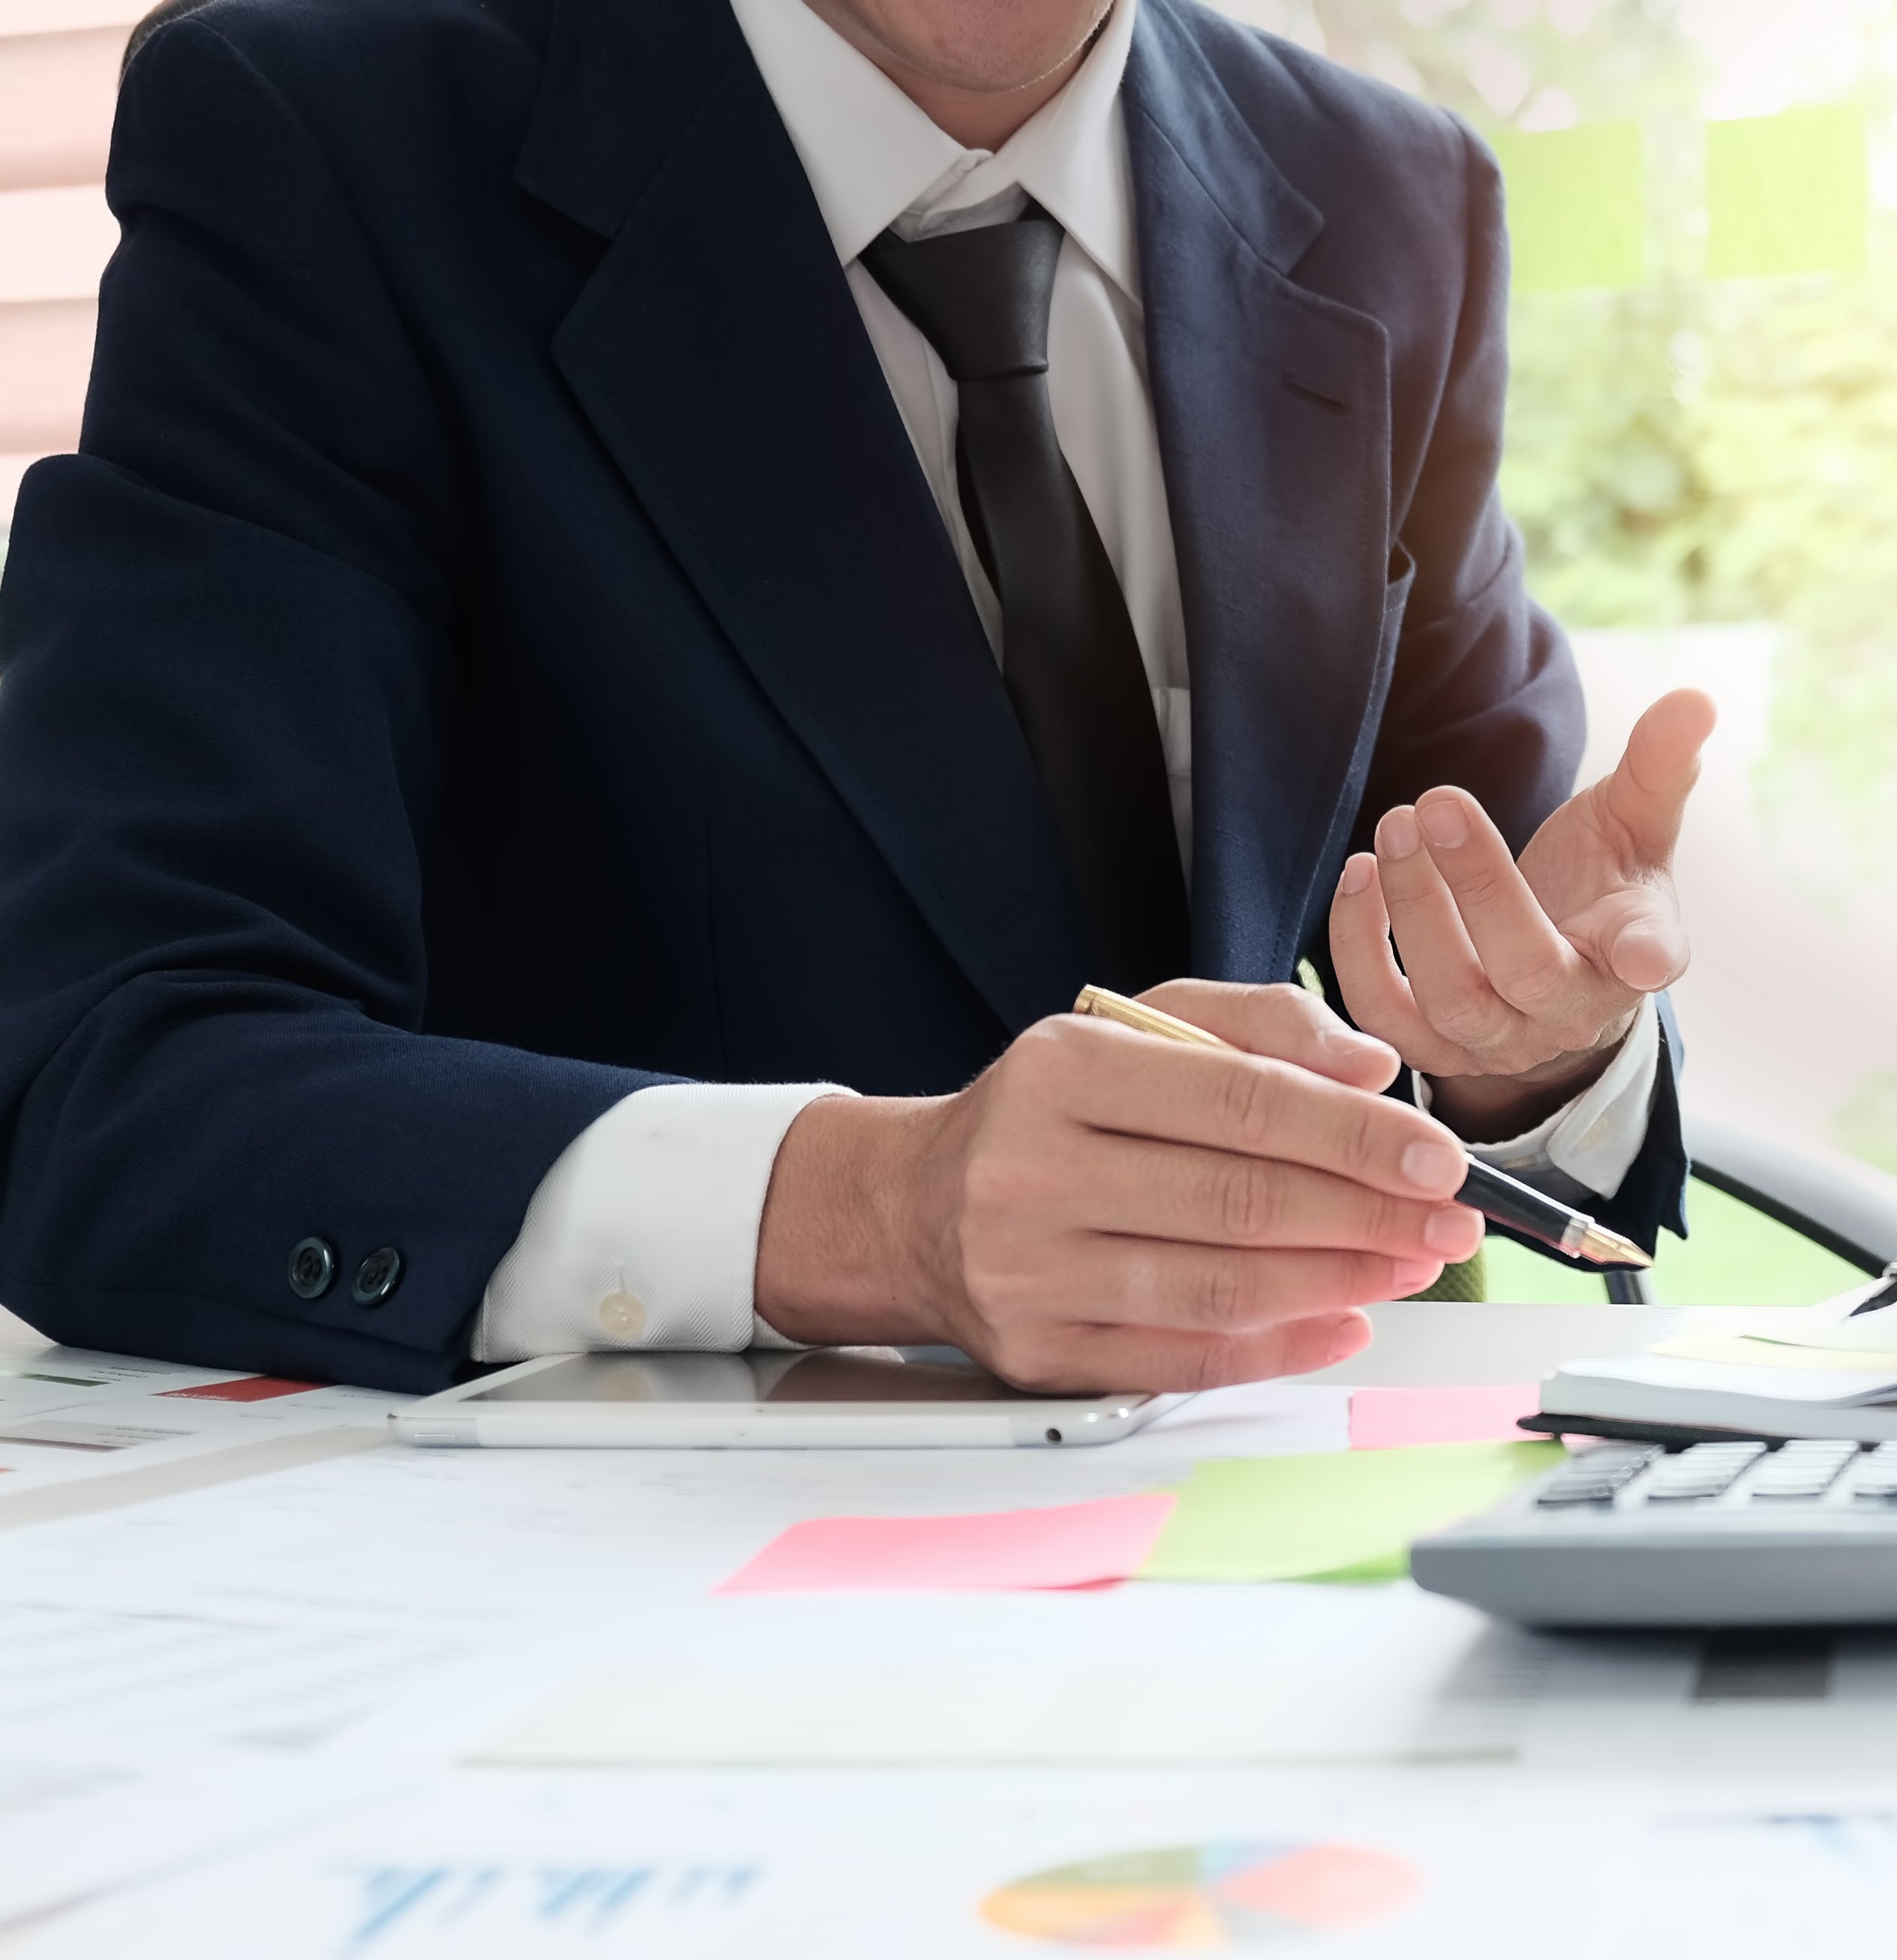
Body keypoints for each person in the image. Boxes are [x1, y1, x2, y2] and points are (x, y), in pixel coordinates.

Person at [0, 0, 1709, 1396]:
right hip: (604, 1620)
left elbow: (1454, 953)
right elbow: (113, 1089)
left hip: (1257, 1570)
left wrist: (1534, 1053)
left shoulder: (1391, 192)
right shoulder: (322, 139)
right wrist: (871, 1213)